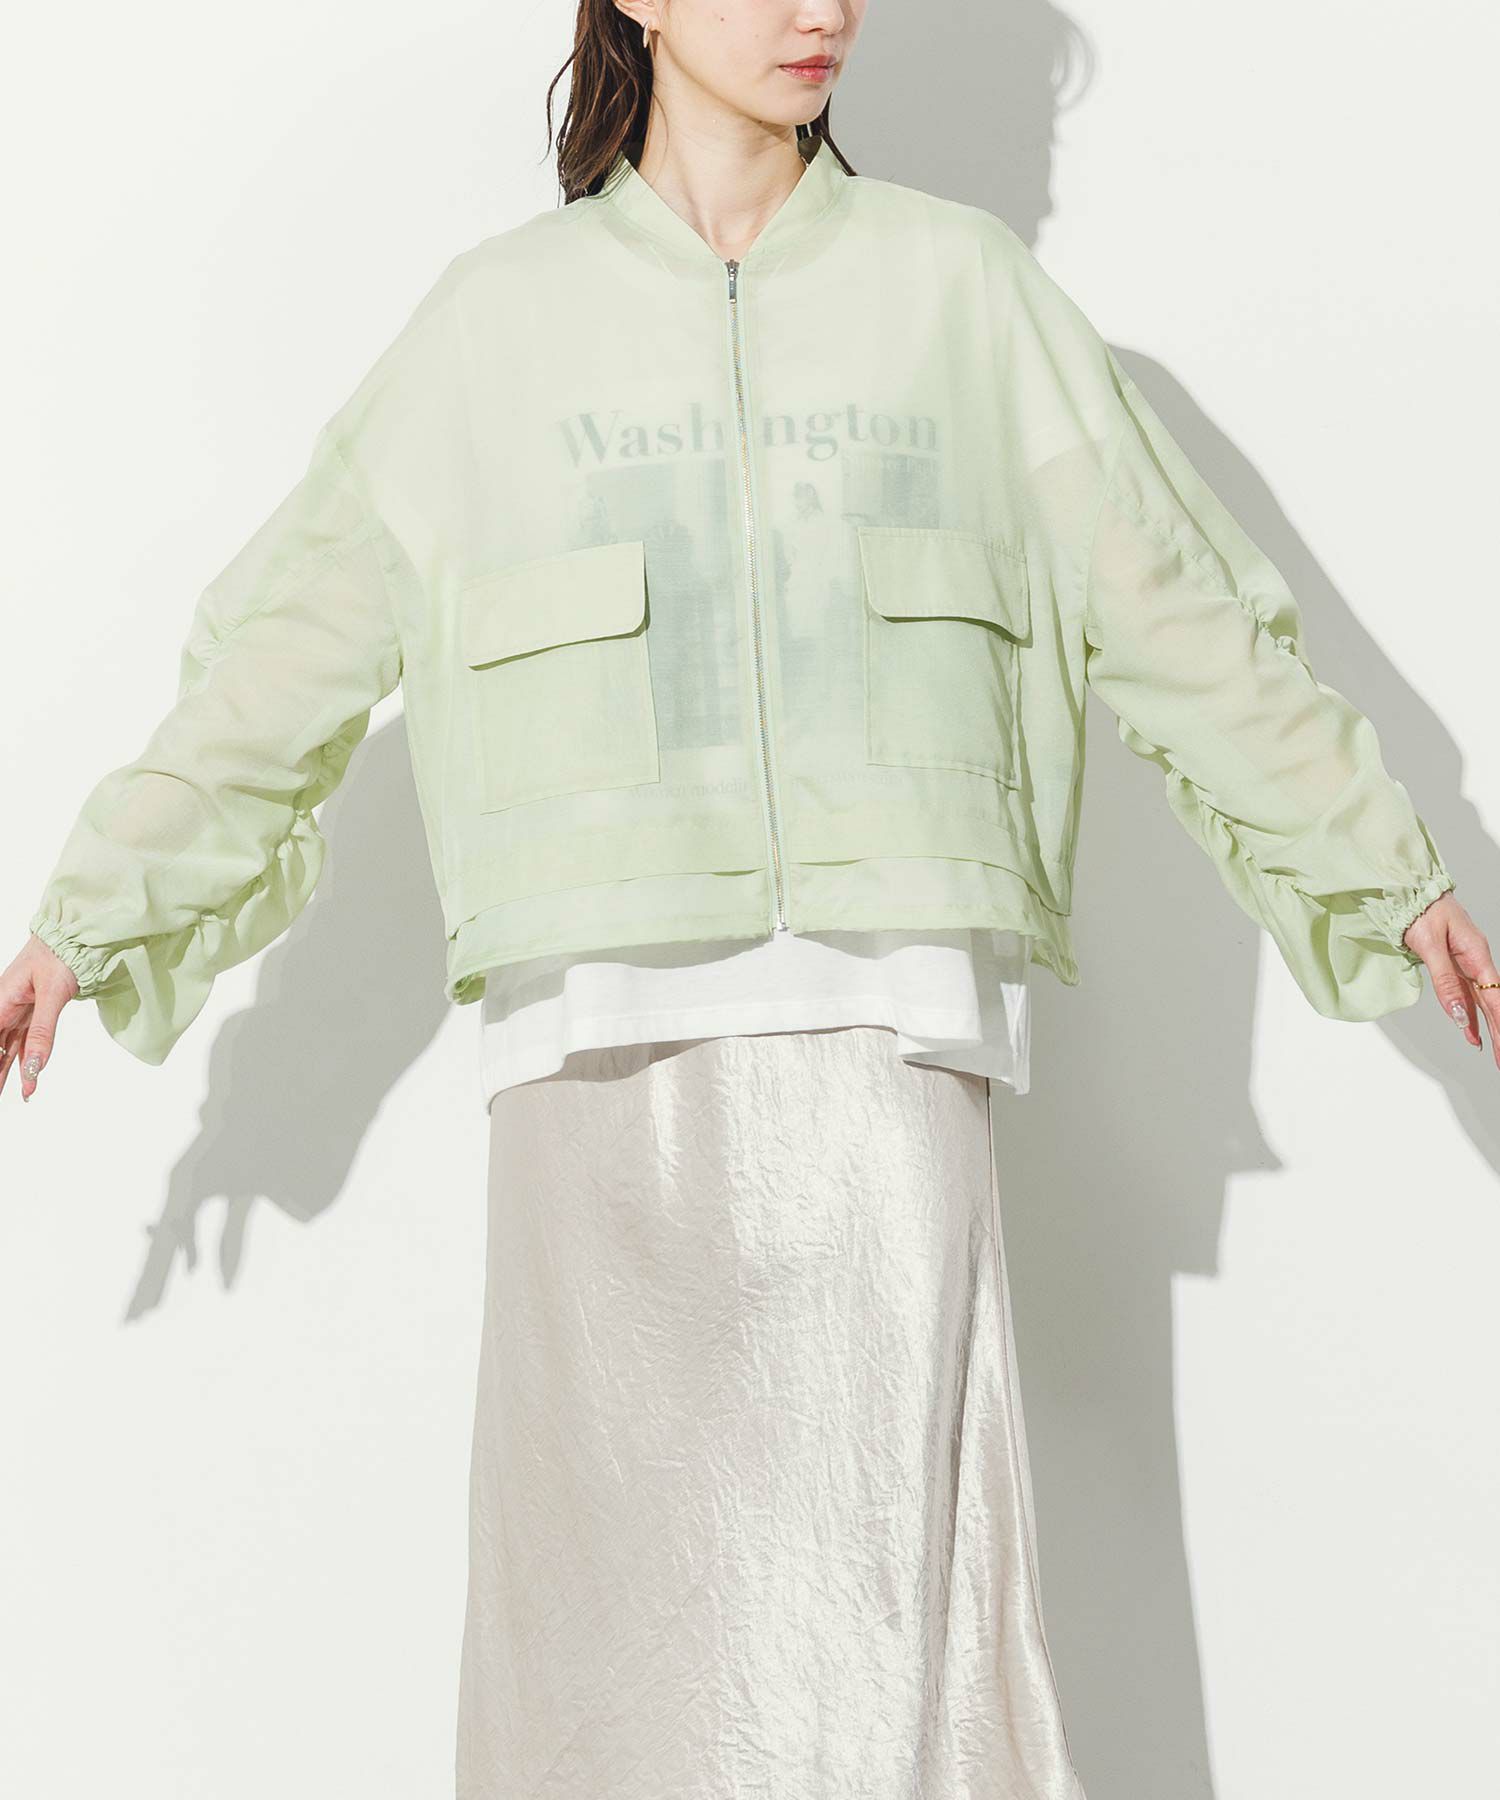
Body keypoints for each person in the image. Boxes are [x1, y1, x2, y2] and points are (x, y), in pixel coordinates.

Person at [5, 2, 1495, 1793]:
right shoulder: (492, 330)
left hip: (885, 1037)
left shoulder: (965, 298)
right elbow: (285, 654)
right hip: (593, 1054)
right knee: (602, 1636)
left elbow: (1183, 615)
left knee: (896, 1617)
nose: (823, 12)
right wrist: (92, 914)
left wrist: (1387, 871)